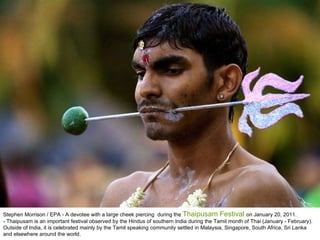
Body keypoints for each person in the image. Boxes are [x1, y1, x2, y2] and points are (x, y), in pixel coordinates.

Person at [100, 3, 303, 207]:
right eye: (141, 74)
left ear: (226, 82)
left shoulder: (257, 188)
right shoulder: (121, 194)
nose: (145, 89)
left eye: (171, 70)